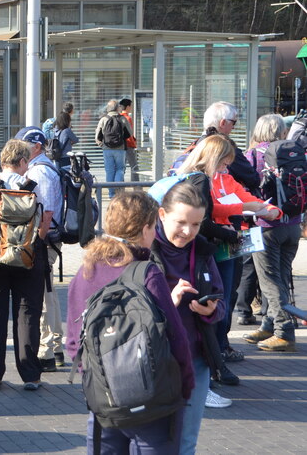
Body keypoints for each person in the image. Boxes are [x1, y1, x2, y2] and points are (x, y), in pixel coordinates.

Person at [66, 191, 194, 454]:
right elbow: (176, 337)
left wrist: (99, 381)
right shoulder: (146, 272)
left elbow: (72, 342)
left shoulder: (86, 269)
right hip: (152, 400)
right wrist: (186, 384)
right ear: (146, 227)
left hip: (105, 402)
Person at [178, 135, 280, 384]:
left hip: (223, 244)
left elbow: (239, 197)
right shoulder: (199, 179)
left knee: (225, 295)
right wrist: (250, 210)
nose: (227, 166)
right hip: (211, 245)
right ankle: (213, 359)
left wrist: (260, 208)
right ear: (214, 157)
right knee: (214, 297)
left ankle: (219, 350)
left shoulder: (221, 178)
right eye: (225, 161)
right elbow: (209, 212)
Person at [151, 180, 226, 453]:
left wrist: (212, 310)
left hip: (195, 357)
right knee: (152, 440)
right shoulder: (144, 251)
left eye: (196, 225)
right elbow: (129, 312)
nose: (188, 231)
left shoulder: (203, 251)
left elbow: (220, 299)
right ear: (161, 215)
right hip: (153, 359)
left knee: (186, 441)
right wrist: (169, 302)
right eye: (181, 222)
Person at [0, 139, 39, 390]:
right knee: (27, 315)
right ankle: (31, 376)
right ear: (22, 161)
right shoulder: (33, 186)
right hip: (26, 258)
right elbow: (44, 220)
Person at [243, 113, 301, 352]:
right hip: (293, 224)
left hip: (266, 226)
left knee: (269, 282)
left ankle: (283, 331)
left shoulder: (254, 155)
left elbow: (245, 186)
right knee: (281, 277)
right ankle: (268, 324)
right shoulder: (295, 152)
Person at [15, 127, 64, 379]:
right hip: (48, 239)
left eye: (23, 143)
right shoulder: (44, 167)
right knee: (48, 292)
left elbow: (45, 213)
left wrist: (37, 242)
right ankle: (55, 347)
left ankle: (47, 351)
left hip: (44, 240)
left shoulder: (40, 171)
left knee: (42, 296)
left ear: (36, 146)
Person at [238, 114, 283, 326]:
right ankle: (269, 313)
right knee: (276, 270)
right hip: (284, 220)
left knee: (249, 266)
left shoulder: (253, 154)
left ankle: (244, 311)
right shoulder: (289, 153)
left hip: (255, 219)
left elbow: (243, 186)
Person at [95, 99, 132, 197]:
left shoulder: (103, 119)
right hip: (120, 149)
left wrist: (102, 145)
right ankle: (118, 191)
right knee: (120, 169)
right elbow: (130, 133)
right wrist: (121, 140)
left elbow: (97, 136)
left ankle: (111, 194)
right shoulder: (122, 119)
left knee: (109, 170)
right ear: (117, 108)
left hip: (107, 149)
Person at [119, 98, 138, 181]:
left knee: (122, 167)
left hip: (120, 146)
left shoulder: (118, 117)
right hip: (128, 145)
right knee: (134, 166)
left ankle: (120, 185)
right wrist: (133, 144)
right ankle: (137, 186)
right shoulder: (127, 118)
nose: (131, 108)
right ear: (128, 107)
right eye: (131, 106)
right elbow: (129, 134)